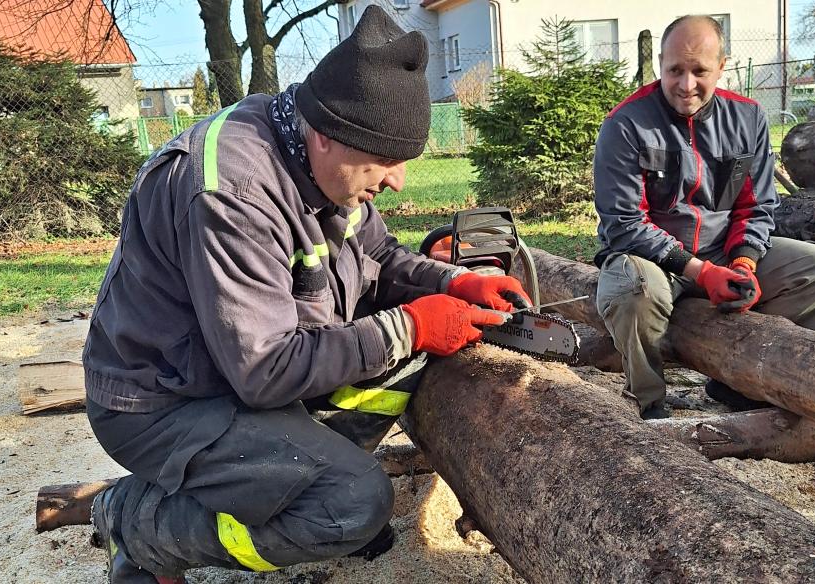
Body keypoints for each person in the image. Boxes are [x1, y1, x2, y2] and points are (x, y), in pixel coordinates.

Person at [83, 6, 530, 583]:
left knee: (405, 362)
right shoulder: (232, 194)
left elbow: (379, 257)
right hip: (164, 403)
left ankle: (288, 489)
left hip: (232, 375)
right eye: (386, 162)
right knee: (352, 504)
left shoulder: (321, 158)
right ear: (326, 135)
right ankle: (141, 527)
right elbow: (265, 368)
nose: (397, 181)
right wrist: (411, 325)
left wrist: (453, 281)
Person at [593, 15, 815, 420]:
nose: (686, 84)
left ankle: (745, 383)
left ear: (722, 66)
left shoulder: (748, 118)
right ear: (661, 62)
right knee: (635, 290)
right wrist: (700, 272)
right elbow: (624, 223)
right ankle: (648, 402)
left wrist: (745, 263)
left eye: (700, 71)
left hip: (723, 252)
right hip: (651, 260)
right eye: (675, 70)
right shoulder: (625, 123)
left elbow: (756, 205)